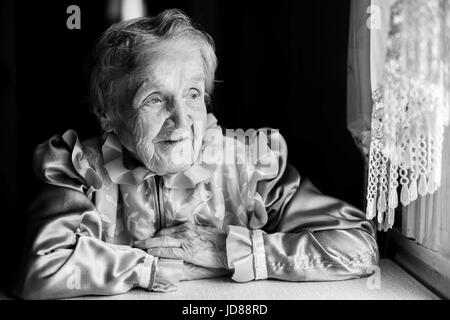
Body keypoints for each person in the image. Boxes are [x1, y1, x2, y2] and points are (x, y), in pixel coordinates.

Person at [14, 9, 379, 299]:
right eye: (154, 99)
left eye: (192, 94)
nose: (181, 120)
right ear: (107, 113)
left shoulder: (249, 165)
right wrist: (149, 268)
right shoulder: (80, 170)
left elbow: (358, 248)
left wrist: (233, 251)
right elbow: (40, 269)